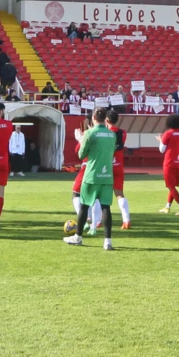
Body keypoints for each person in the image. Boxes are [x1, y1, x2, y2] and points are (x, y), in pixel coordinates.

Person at [64, 107, 118, 250]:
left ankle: (78, 237)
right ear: (105, 118)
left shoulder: (89, 133)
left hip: (92, 174)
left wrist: (80, 139)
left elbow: (81, 155)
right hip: (107, 175)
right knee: (106, 207)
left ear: (94, 117)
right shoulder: (112, 135)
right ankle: (107, 241)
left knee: (84, 205)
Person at [105, 109, 132, 229]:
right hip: (119, 166)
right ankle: (126, 220)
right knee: (120, 194)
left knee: (100, 196)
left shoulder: (105, 133)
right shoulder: (123, 133)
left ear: (106, 120)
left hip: (106, 167)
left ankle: (98, 221)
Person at [157, 114, 179, 214]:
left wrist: (160, 140)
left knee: (170, 186)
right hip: (178, 161)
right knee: (173, 185)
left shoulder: (168, 133)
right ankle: (167, 207)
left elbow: (162, 150)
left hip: (169, 162)